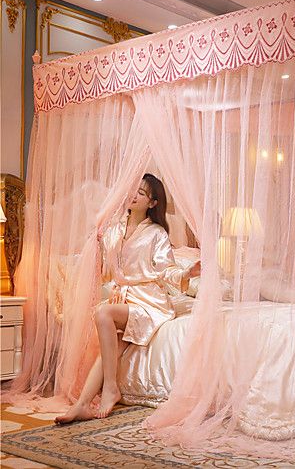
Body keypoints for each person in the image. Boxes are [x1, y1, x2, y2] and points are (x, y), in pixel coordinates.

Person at [55, 174, 200, 423]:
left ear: (153, 203)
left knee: (102, 313)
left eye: (142, 193)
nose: (134, 195)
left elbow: (165, 270)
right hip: (123, 300)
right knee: (109, 351)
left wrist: (187, 273)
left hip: (150, 303)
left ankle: (111, 388)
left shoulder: (156, 234)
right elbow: (107, 271)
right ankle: (81, 405)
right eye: (134, 190)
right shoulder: (114, 231)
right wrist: (96, 244)